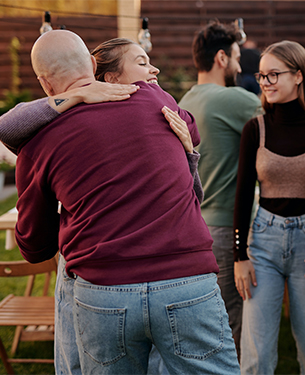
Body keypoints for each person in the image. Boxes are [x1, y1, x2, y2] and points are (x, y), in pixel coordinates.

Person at [15, 29, 239, 375]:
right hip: (187, 278)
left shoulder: (38, 139)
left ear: (45, 85)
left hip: (105, 290)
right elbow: (190, 131)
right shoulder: (153, 98)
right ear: (91, 64)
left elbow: (34, 246)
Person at [233, 40, 305, 375]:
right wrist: (240, 256)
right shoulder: (255, 129)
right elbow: (244, 193)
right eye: (261, 76)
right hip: (263, 243)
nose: (265, 83)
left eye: (273, 75)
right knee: (257, 356)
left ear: (298, 75)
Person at [178, 20, 262, 358]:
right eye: (238, 57)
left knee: (209, 320)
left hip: (197, 226)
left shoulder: (186, 99)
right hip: (229, 227)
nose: (241, 66)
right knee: (233, 322)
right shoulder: (234, 100)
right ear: (222, 58)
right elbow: (288, 119)